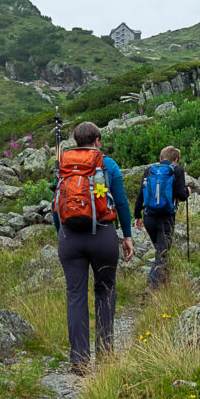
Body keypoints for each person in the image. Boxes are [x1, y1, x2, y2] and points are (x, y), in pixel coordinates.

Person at [52, 121, 134, 374]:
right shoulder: (107, 165)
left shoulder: (64, 165)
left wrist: (62, 234)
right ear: (97, 140)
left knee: (75, 295)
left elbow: (56, 205)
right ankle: (106, 353)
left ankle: (79, 359)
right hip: (103, 235)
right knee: (105, 291)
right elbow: (120, 203)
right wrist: (127, 236)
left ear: (77, 142)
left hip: (70, 237)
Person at [133, 146, 191, 289]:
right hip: (166, 217)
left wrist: (137, 215)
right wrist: (187, 191)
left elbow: (141, 193)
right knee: (162, 253)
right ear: (176, 159)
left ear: (160, 158)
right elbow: (181, 196)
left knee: (160, 250)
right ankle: (151, 287)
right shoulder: (177, 170)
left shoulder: (149, 170)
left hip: (149, 217)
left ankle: (164, 283)